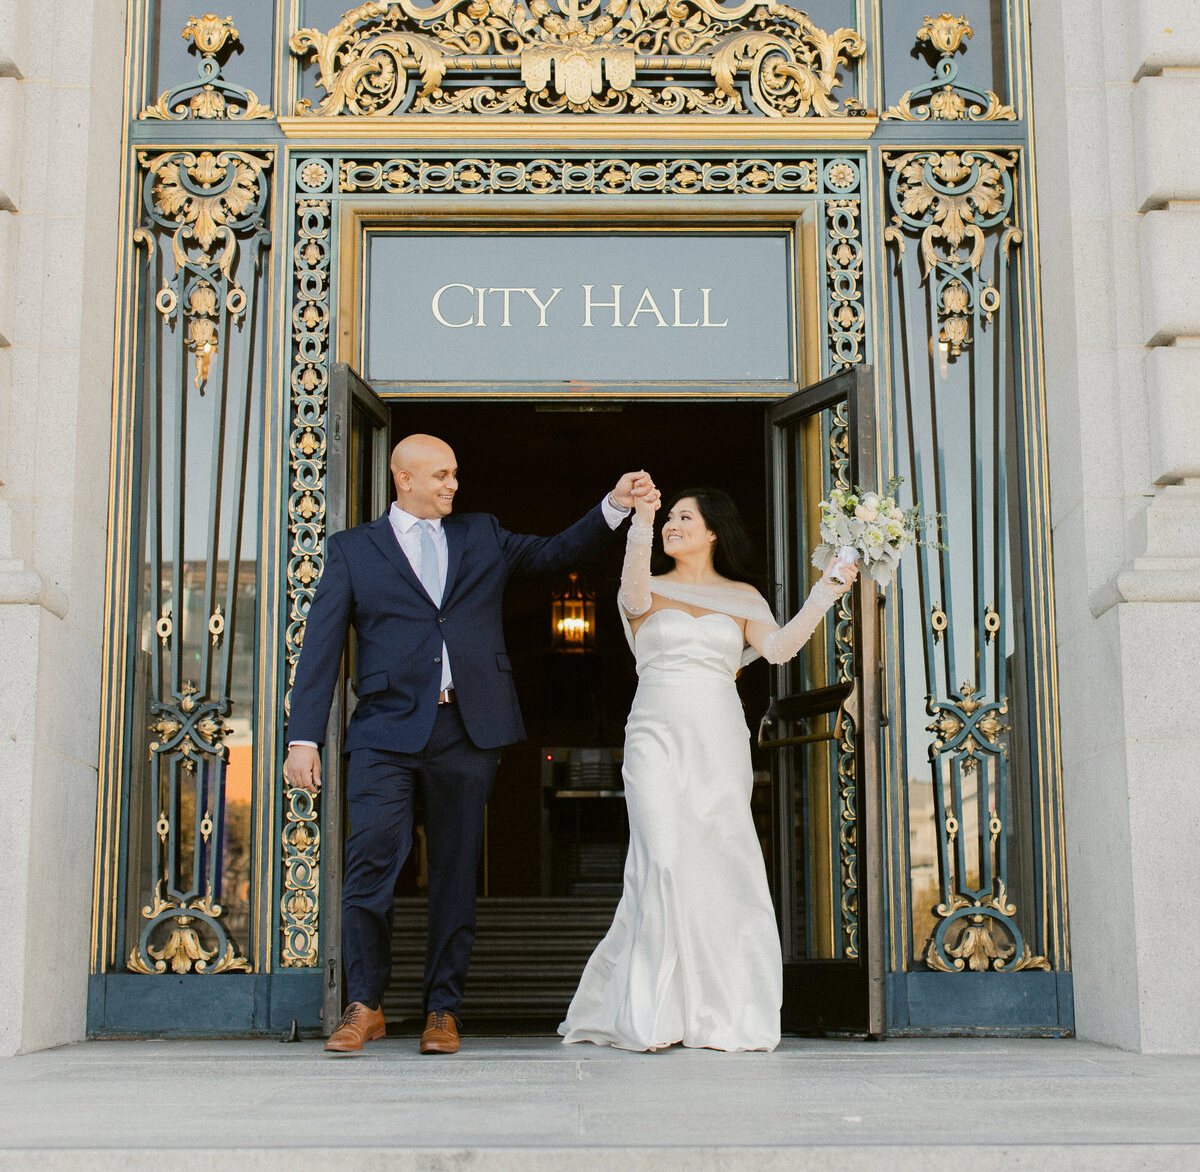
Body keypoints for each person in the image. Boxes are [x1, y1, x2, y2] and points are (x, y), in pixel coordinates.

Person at [285, 432, 652, 1056]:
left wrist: (613, 506)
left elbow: (556, 552)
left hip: (467, 727)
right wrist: (303, 739)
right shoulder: (352, 550)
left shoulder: (481, 534)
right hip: (384, 731)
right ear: (404, 479)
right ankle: (365, 1004)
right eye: (441, 475)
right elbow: (320, 648)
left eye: (455, 473)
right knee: (371, 859)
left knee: (455, 871)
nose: (453, 484)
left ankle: (442, 1010)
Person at [560, 483, 858, 1053]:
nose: (673, 524)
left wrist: (826, 592)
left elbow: (777, 650)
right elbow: (632, 596)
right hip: (654, 733)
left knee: (722, 862)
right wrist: (642, 519)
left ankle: (720, 1008)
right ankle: (651, 1012)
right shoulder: (646, 585)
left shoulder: (744, 597)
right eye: (670, 517)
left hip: (719, 737)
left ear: (714, 531)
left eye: (684, 517)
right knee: (662, 858)